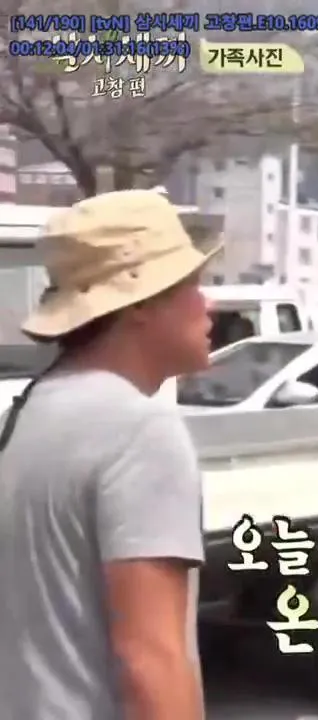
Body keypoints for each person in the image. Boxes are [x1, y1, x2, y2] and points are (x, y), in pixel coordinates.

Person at [0, 190, 217, 719]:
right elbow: (151, 662)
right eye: (191, 284)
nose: (207, 303)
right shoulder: (139, 430)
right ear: (139, 302)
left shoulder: (27, 414)